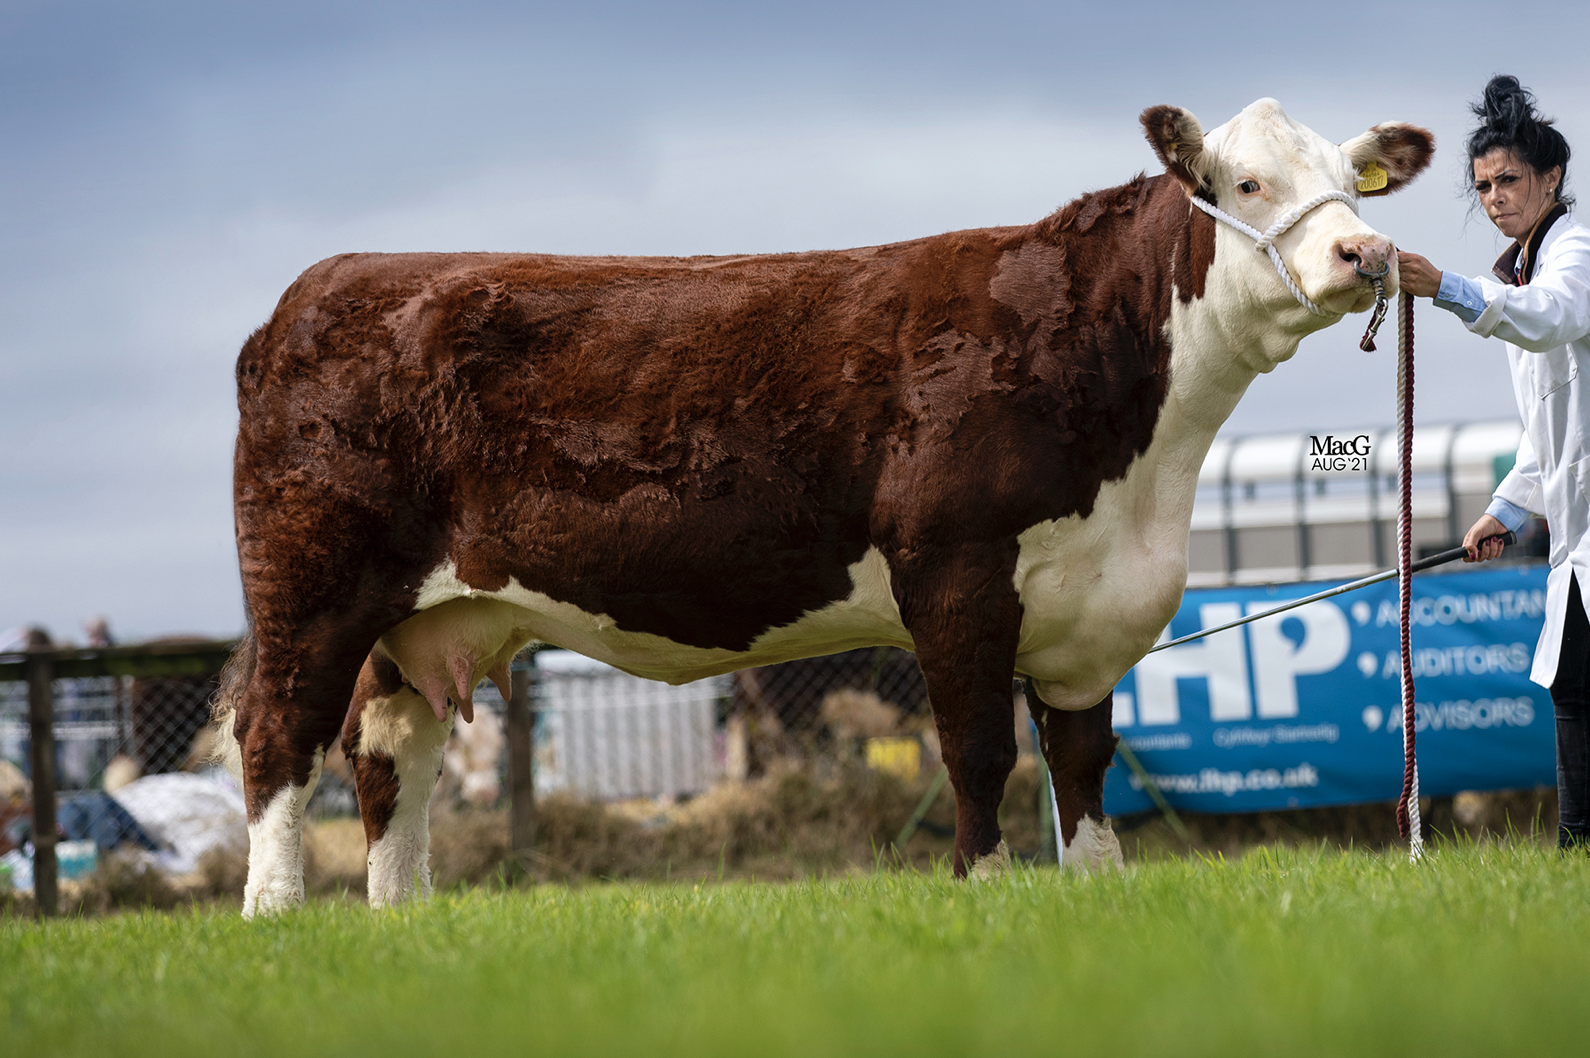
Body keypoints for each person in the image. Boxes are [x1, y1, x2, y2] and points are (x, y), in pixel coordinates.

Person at [1398, 75, 1590, 849]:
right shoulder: (1522, 268)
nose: (1495, 196)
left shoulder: (1574, 251)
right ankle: (1579, 848)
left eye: (1509, 180)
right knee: (1573, 687)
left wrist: (1445, 288)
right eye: (1482, 186)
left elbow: (1553, 321)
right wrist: (1504, 512)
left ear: (1551, 180)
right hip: (1576, 538)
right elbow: (1552, 439)